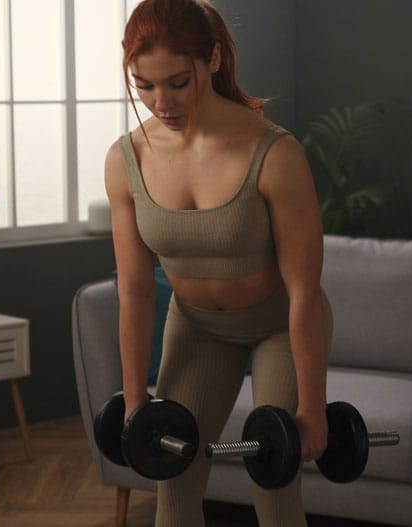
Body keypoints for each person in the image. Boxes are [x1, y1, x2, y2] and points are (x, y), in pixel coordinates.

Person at [104, 0, 333, 525]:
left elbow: (303, 292)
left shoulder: (274, 152)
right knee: (174, 483)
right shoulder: (125, 160)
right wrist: (136, 396)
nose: (162, 102)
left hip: (278, 324)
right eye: (144, 85)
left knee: (273, 484)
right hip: (197, 327)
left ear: (210, 60)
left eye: (178, 81)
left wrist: (314, 409)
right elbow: (136, 290)